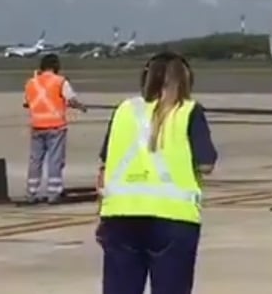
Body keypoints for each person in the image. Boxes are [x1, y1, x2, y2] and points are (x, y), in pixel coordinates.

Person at [96, 51, 218, 294]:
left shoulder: (124, 110)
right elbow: (206, 164)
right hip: (172, 219)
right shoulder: (188, 111)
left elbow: (105, 164)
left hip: (121, 217)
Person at [22, 53, 88, 204]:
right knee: (55, 160)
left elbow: (26, 103)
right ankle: (53, 193)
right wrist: (81, 107)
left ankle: (31, 192)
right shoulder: (60, 81)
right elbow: (71, 100)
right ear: (56, 66)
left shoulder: (31, 82)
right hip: (56, 127)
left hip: (37, 126)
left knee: (35, 160)